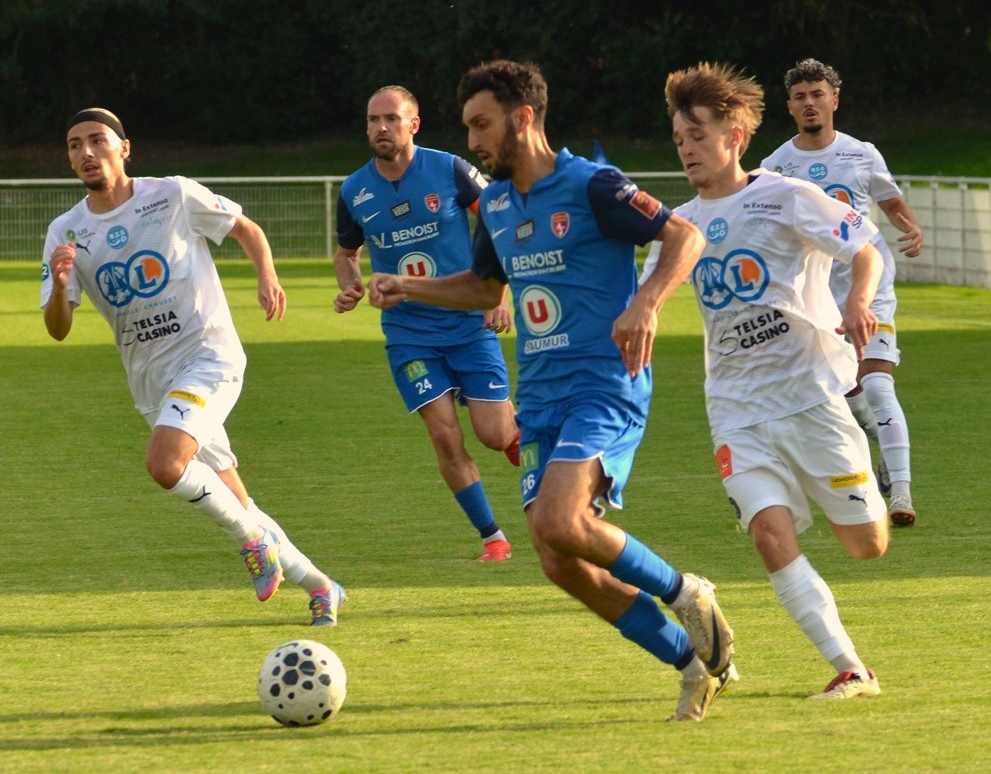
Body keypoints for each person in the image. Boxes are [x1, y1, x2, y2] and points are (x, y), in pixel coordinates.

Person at [368, 60, 736, 723]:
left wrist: (647, 302)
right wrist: (407, 285)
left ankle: (685, 592)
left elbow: (684, 234)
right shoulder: (496, 204)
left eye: (482, 125)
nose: (473, 141)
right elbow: (483, 288)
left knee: (558, 522)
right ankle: (690, 664)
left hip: (603, 385)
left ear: (523, 117)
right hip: (539, 399)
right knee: (557, 560)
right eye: (468, 127)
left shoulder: (592, 184)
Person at [42, 108, 346, 626]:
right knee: (236, 499)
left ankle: (251, 542)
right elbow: (57, 328)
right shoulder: (65, 231)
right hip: (151, 383)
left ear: (124, 148)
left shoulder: (173, 194)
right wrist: (61, 284)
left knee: (165, 465)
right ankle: (322, 586)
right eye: (75, 145)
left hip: (208, 356)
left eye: (97, 140)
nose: (86, 152)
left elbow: (245, 228)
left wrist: (267, 276)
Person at [647, 61, 890, 699]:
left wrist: (857, 301)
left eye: (697, 135)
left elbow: (864, 248)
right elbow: (642, 295)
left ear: (734, 135)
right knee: (768, 534)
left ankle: (863, 458)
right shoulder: (680, 225)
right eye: (679, 139)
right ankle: (851, 669)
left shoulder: (785, 195)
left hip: (811, 396)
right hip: (735, 409)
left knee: (867, 545)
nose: (687, 149)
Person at [334, 86, 519, 562]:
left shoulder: (450, 169)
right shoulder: (354, 191)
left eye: (391, 119)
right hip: (408, 334)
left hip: (468, 322)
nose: (380, 128)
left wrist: (498, 293)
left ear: (413, 124)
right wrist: (351, 284)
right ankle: (493, 537)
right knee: (443, 435)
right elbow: (346, 253)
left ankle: (521, 435)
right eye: (373, 120)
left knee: (494, 435)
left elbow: (499, 219)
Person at [760, 58, 922, 527]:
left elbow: (891, 202)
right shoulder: (775, 167)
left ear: (834, 100)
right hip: (813, 298)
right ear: (790, 107)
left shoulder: (861, 154)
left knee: (878, 383)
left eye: (817, 94)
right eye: (800, 97)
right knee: (843, 395)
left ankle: (902, 494)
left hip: (868, 286)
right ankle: (878, 443)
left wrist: (911, 229)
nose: (809, 103)